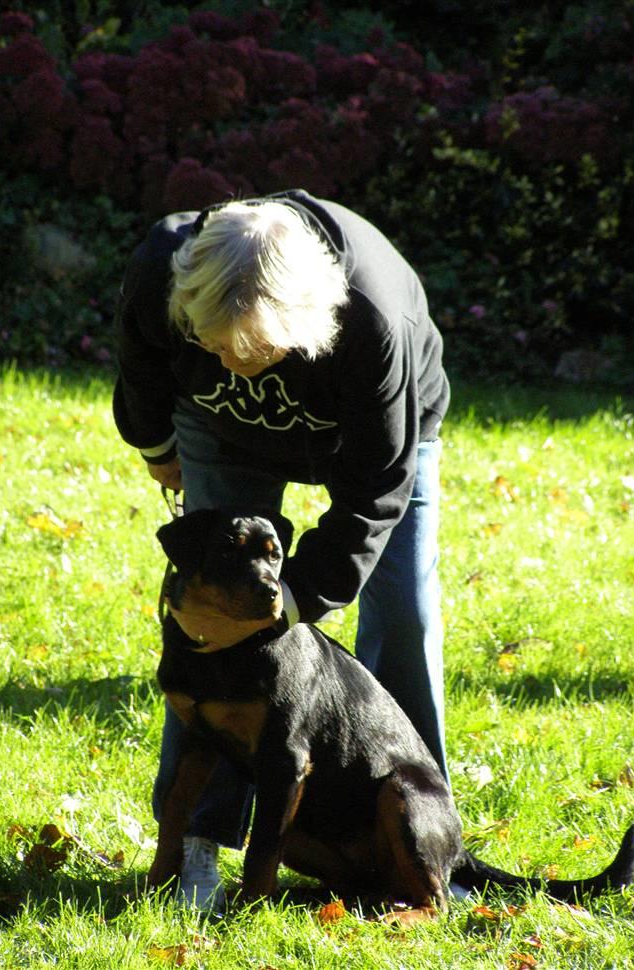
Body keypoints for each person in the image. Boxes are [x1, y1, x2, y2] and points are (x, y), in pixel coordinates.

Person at [113, 189, 450, 910]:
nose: (235, 367)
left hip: (374, 438)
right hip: (222, 434)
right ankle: (199, 846)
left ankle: (413, 840)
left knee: (406, 612)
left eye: (255, 352)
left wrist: (295, 600)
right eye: (215, 347)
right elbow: (141, 363)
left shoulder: (370, 318)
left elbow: (374, 495)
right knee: (209, 640)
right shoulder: (161, 268)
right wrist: (158, 446)